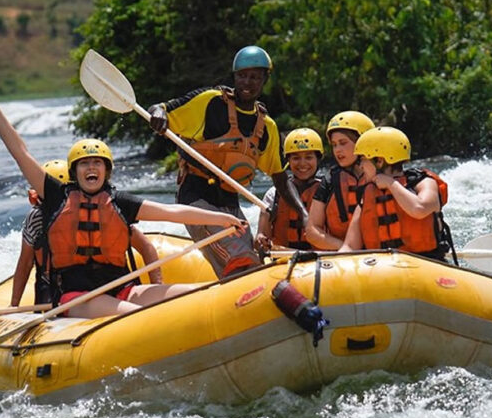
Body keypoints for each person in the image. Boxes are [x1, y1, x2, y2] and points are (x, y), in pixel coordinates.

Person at [0, 87, 247, 319]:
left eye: (97, 163)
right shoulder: (57, 197)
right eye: (85, 164)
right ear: (75, 172)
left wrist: (224, 220)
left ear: (107, 170)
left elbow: (171, 212)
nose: (91, 168)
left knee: (196, 295)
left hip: (123, 288)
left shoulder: (119, 202)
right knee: (133, 315)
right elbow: (21, 153)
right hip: (77, 297)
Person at [146, 45, 308, 277]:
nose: (247, 83)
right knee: (240, 261)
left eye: (255, 77)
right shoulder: (211, 103)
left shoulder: (266, 127)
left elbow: (281, 179)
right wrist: (159, 114)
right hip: (196, 199)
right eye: (242, 76)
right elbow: (161, 109)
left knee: (252, 261)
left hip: (230, 204)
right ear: (234, 77)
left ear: (265, 79)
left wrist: (303, 213)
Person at [338, 126, 456, 262]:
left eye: (362, 159)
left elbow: (419, 209)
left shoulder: (423, 183)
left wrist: (391, 184)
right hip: (382, 266)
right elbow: (350, 246)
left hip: (426, 262)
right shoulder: (367, 195)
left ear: (379, 161)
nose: (360, 166)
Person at [305, 111, 375, 250]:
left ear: (363, 142)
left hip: (382, 256)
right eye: (334, 144)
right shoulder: (330, 180)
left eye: (343, 143)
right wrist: (346, 248)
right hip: (344, 255)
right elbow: (312, 231)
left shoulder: (384, 177)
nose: (338, 150)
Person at [9, 159, 69, 307]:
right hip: (50, 289)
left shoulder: (86, 210)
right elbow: (25, 263)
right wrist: (14, 304)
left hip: (80, 284)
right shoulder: (36, 217)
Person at [256, 128, 324, 252]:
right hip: (283, 258)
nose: (302, 163)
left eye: (309, 157)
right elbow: (261, 234)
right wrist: (261, 240)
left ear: (318, 160)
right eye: (296, 158)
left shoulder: (327, 191)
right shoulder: (273, 194)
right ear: (288, 161)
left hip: (320, 258)